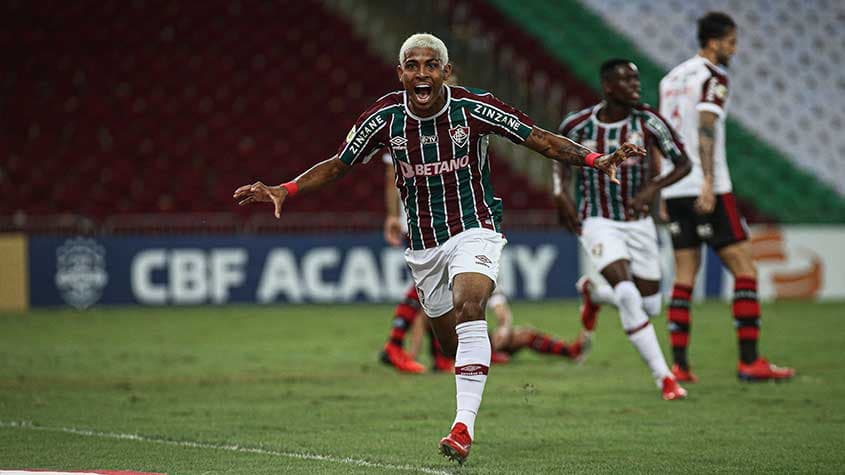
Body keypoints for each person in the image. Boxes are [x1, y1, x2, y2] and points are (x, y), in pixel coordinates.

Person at [234, 33, 643, 465]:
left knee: (471, 307)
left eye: (432, 65)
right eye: (413, 66)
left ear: (446, 72)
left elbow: (538, 138)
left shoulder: (473, 108)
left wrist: (597, 160)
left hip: (475, 228)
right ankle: (466, 383)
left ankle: (462, 426)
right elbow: (340, 163)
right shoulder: (384, 119)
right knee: (450, 345)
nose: (422, 73)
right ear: (401, 73)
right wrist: (286, 188)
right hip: (424, 245)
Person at [658, 12, 795, 382]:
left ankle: (680, 366)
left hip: (673, 186)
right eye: (732, 42)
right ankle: (750, 361)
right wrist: (706, 181)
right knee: (745, 269)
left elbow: (659, 132)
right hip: (709, 186)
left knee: (684, 274)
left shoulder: (671, 78)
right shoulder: (712, 77)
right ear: (714, 41)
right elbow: (705, 126)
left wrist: (660, 187)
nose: (735, 49)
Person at [556, 59, 693, 400]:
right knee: (629, 294)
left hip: (640, 224)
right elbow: (559, 161)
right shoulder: (577, 125)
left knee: (650, 307)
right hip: (597, 220)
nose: (636, 85)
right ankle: (665, 378)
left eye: (636, 79)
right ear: (608, 86)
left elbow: (684, 162)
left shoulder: (649, 121)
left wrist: (651, 189)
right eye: (627, 80)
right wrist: (561, 195)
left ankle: (597, 295)